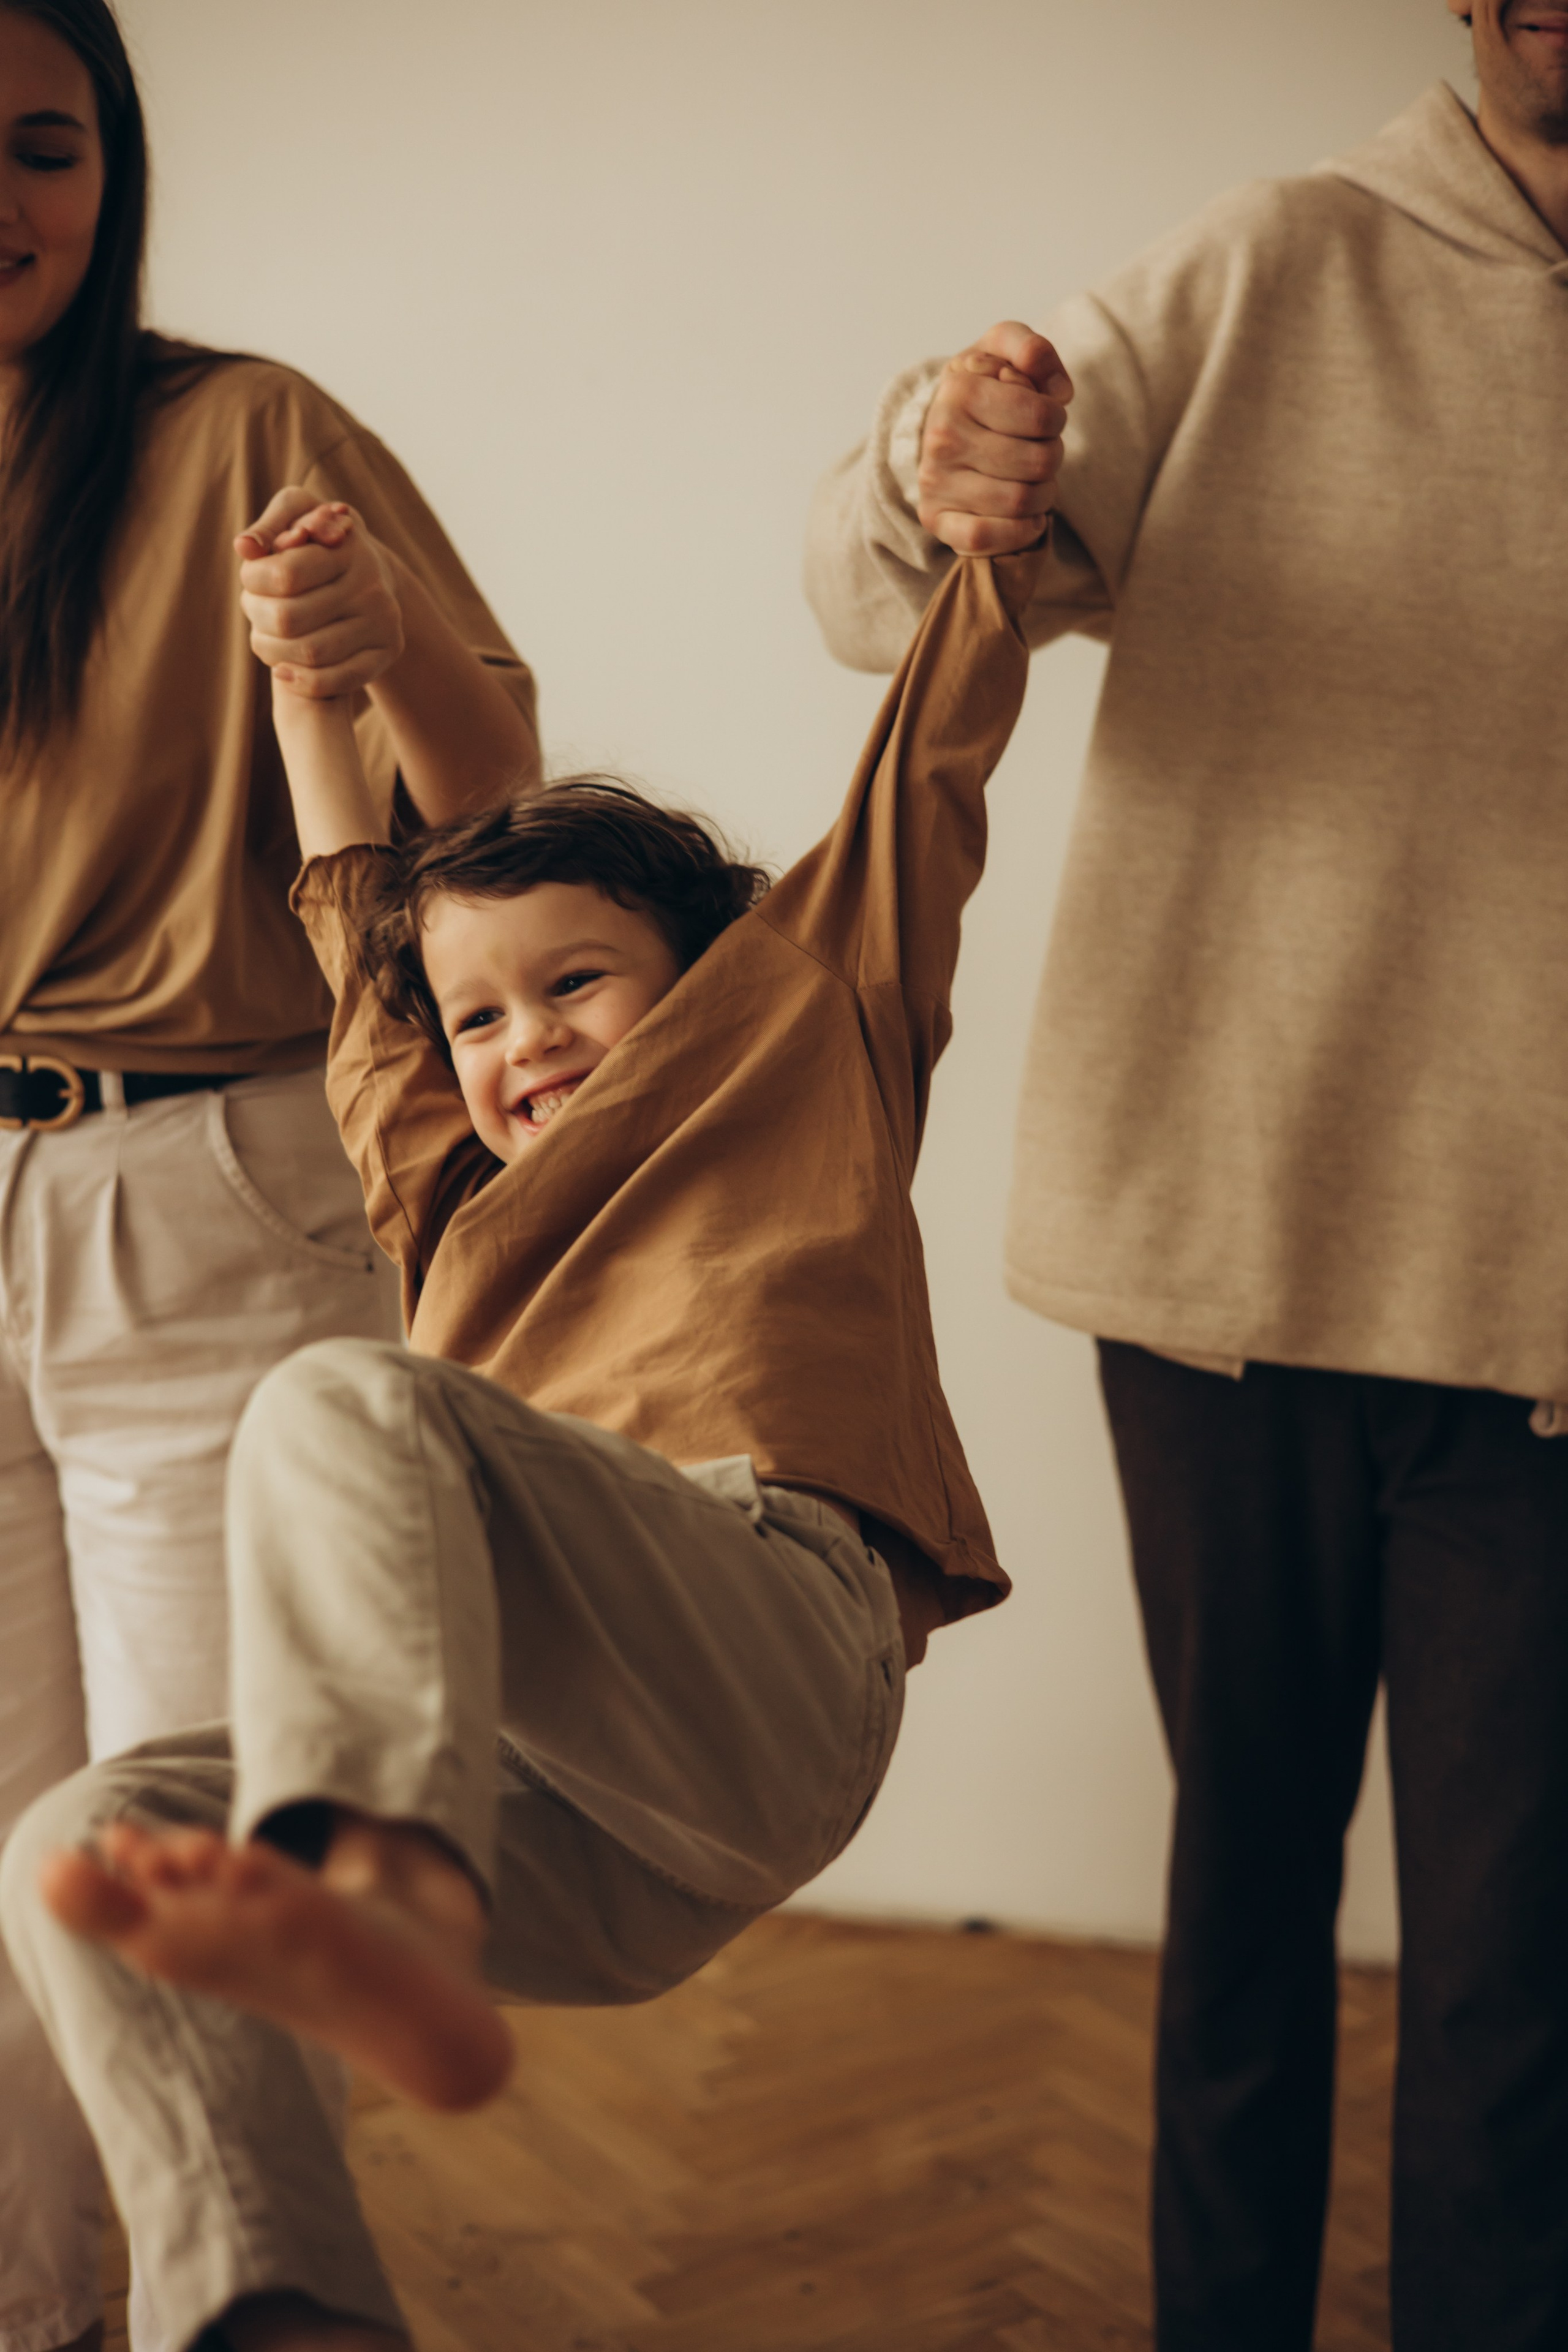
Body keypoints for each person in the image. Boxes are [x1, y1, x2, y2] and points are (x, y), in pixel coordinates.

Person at [0, 505, 1042, 2352]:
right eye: (478, 1019)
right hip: (570, 1815)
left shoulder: (806, 1030)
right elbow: (350, 911)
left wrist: (992, 544)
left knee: (341, 1398)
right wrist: (308, 699)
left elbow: (924, 769)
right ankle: (278, 2304)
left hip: (765, 1653)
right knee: (78, 1843)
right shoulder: (445, 1185)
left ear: (703, 971)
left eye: (574, 983)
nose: (523, 1044)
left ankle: (374, 1894)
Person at [803, 7, 1568, 2350]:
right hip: (1228, 1261)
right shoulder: (1277, 264)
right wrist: (946, 456)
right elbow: (893, 593)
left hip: (1550, 1310)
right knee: (1241, 1901)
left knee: (1522, 1973)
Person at [0, 8, 538, 2350]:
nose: (2, 201)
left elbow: (493, 776)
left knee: (173, 1870)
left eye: (41, 147)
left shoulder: (240, 433)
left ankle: (260, 2316)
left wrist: (375, 642)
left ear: (110, 176)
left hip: (201, 1199)